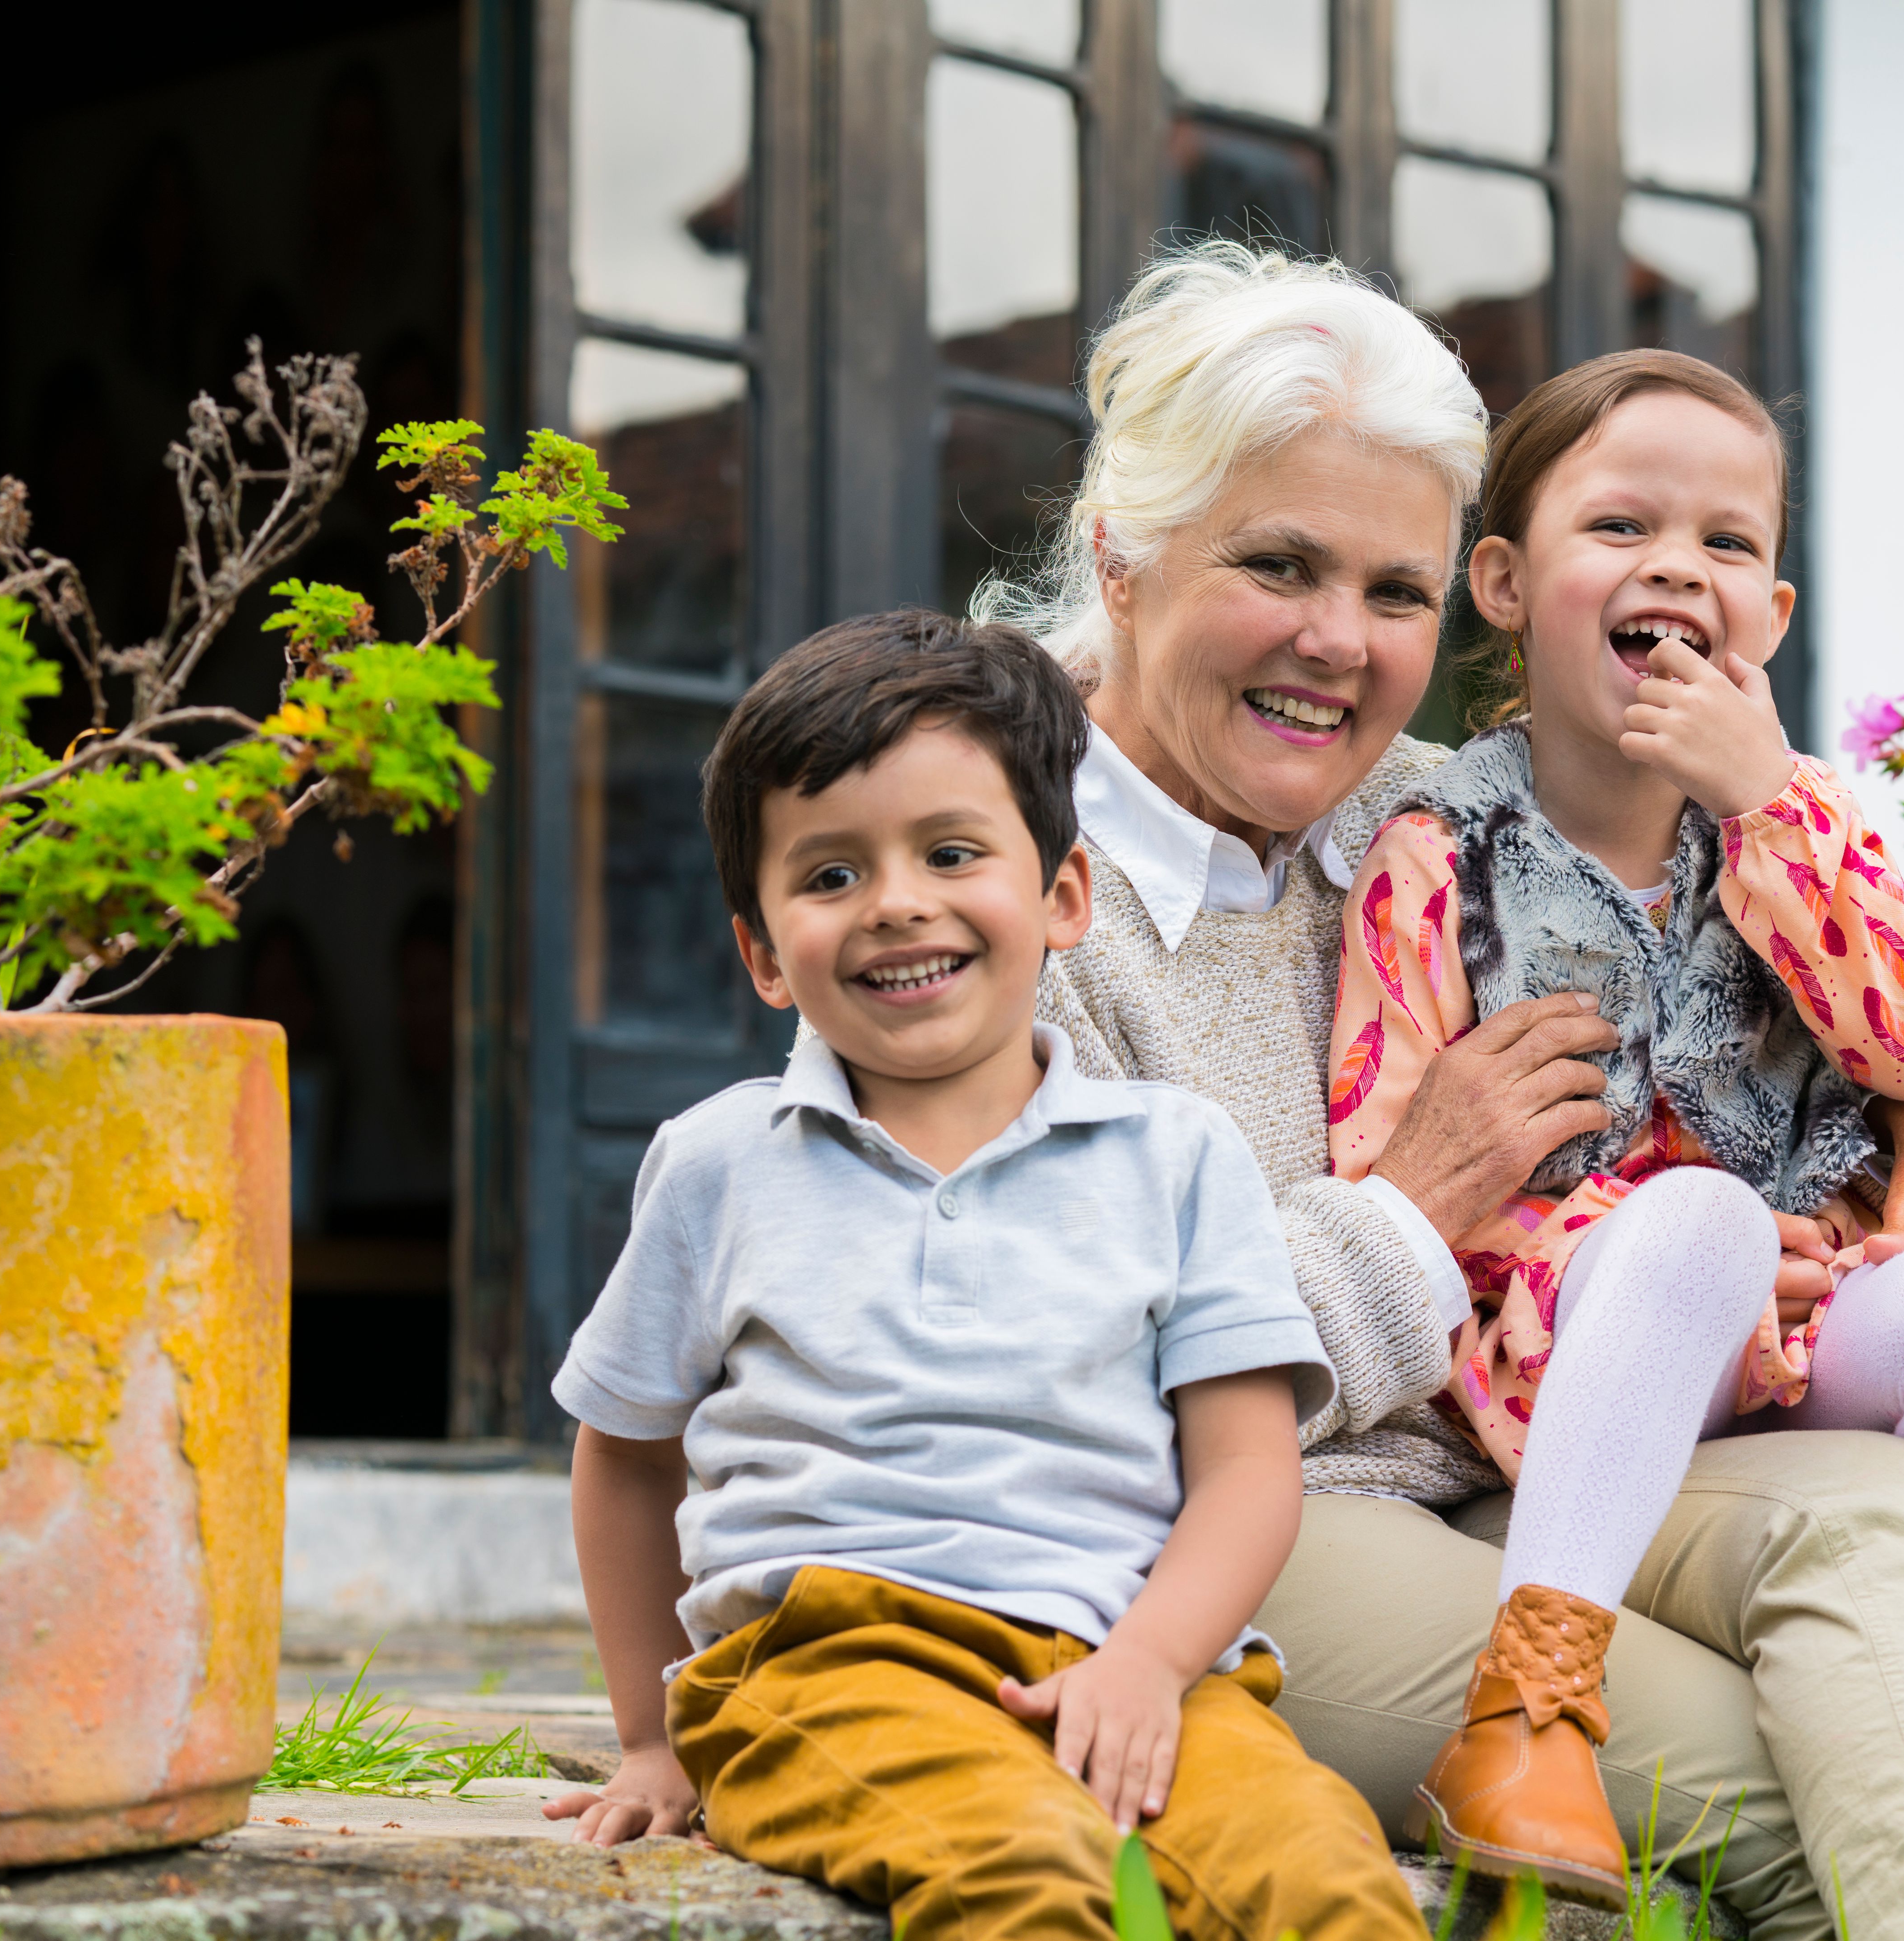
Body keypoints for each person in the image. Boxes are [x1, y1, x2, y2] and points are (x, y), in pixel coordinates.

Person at [983, 239, 1904, 1941]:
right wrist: (1407, 1206)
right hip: (1225, 1533)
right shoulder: (982, 887)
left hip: (1529, 1460)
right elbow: (1051, 1378)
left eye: (1392, 592)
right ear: (1123, 560)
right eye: (1277, 564)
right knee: (1854, 1778)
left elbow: (1786, 955)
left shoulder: (1421, 802)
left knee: (1895, 1506)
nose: (1335, 645)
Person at [536, 610, 1426, 1941]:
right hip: (829, 1664)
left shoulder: (1178, 1156)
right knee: (1025, 1877)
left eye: (952, 853)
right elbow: (624, 1456)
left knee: (1325, 1880)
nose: (898, 901)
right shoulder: (720, 1164)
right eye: (830, 876)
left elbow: (1250, 1469)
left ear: (1064, 896)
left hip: (1137, 1662)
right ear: (765, 954)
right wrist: (650, 1733)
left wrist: (1149, 1663)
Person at [1326, 349, 1904, 1899]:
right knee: (1701, 1222)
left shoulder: (1798, 824)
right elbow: (1391, 1180)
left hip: (1787, 1346)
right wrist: (1681, 1250)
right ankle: (1527, 1715)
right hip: (1560, 1350)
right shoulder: (1436, 854)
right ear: (1506, 583)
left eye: (1728, 544)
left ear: (1773, 620)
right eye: (1620, 529)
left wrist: (1776, 806)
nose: (1678, 565)